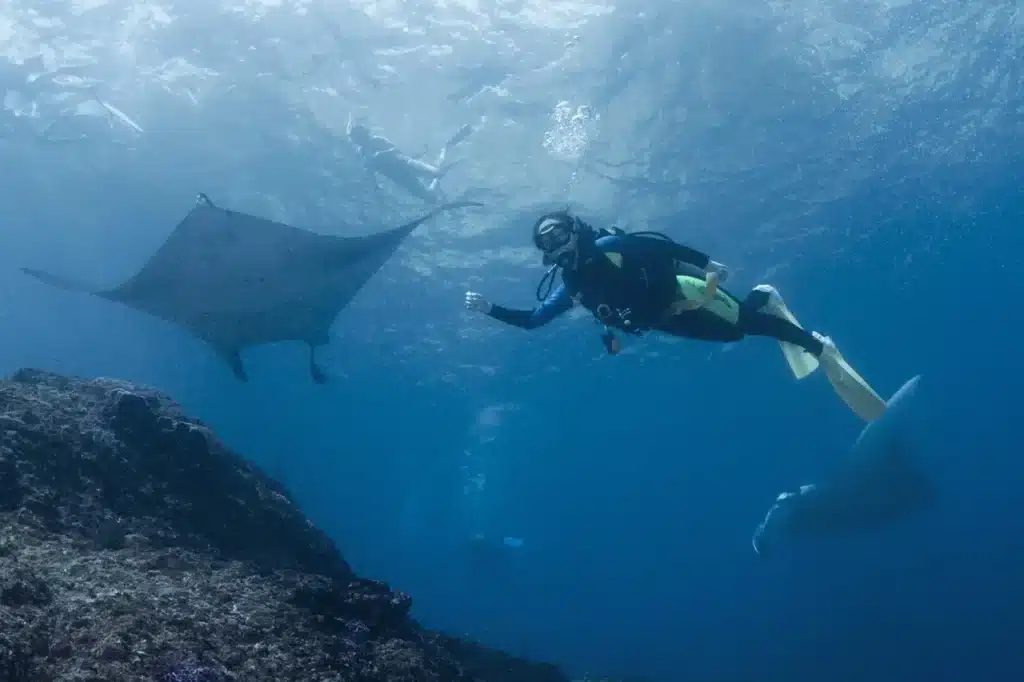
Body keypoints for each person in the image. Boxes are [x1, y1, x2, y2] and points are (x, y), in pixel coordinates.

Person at [463, 210, 888, 422]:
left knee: (745, 325)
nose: (555, 243)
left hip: (682, 289)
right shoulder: (571, 288)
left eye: (558, 232)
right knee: (733, 335)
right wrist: (490, 309)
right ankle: (762, 295)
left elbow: (661, 249)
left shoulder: (611, 245)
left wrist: (708, 265)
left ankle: (818, 346)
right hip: (663, 319)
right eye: (546, 241)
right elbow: (534, 320)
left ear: (574, 230)